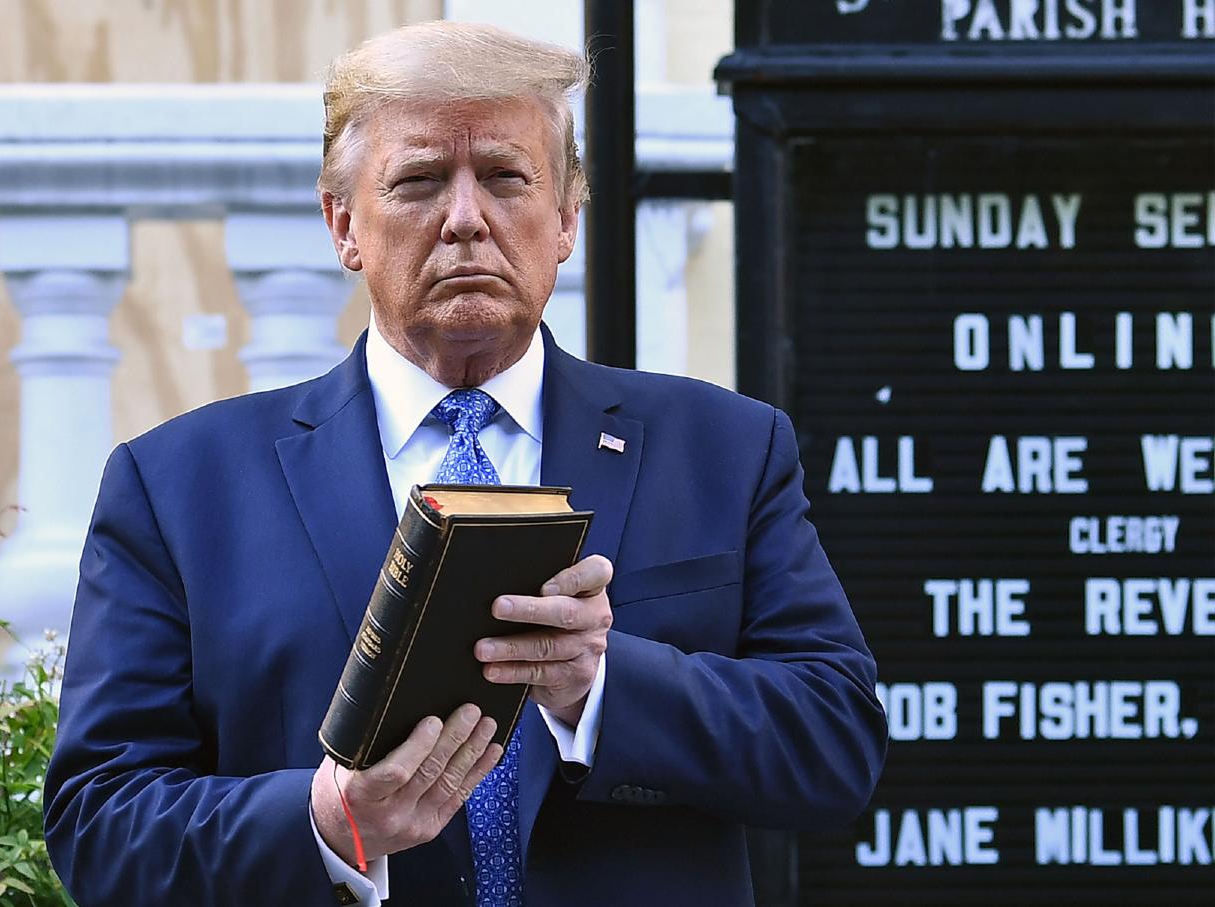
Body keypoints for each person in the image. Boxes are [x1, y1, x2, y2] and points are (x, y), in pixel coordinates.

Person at [43, 20, 887, 907]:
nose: (465, 219)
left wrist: (599, 683)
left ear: (565, 218)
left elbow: (836, 743)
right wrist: (327, 819)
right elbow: (99, 826)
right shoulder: (180, 488)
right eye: (416, 181)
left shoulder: (724, 449)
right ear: (344, 226)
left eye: (504, 176)